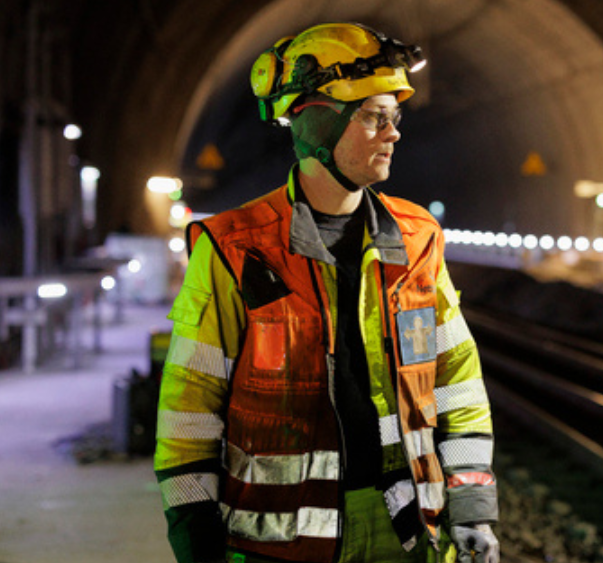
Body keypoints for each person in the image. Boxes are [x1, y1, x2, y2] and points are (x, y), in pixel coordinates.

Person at [154, 22, 499, 563]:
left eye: (396, 117)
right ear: (319, 121)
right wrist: (195, 537)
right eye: (374, 117)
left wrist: (472, 504)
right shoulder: (234, 249)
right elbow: (189, 416)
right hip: (281, 547)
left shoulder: (417, 240)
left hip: (408, 535)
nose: (394, 133)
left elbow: (458, 381)